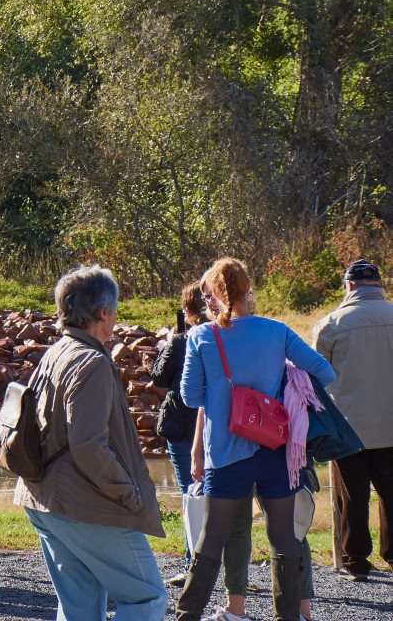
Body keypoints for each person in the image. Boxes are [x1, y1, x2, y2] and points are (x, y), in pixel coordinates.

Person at [174, 257, 335, 621]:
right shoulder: (277, 331)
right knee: (282, 537)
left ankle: (187, 616)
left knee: (212, 538)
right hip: (276, 449)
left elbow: (190, 397)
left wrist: (223, 394)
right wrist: (285, 378)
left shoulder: (202, 336)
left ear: (213, 295)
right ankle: (288, 617)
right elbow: (325, 372)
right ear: (249, 289)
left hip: (225, 453)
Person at [15, 264, 168, 621]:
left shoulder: (55, 352)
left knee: (79, 608)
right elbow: (89, 446)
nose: (115, 319)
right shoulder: (93, 363)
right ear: (103, 313)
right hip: (84, 504)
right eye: (114, 311)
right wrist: (129, 494)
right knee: (147, 599)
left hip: (43, 498)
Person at [312, 258, 393, 582]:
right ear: (380, 285)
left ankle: (355, 561)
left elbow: (314, 380)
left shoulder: (332, 324)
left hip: (349, 428)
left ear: (348, 286)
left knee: (351, 498)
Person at [148, 280, 209, 587]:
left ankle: (193, 566)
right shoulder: (224, 335)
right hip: (217, 426)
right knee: (220, 496)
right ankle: (220, 566)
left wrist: (170, 341)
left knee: (190, 495)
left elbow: (157, 377)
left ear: (186, 309)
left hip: (183, 427)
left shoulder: (182, 340)